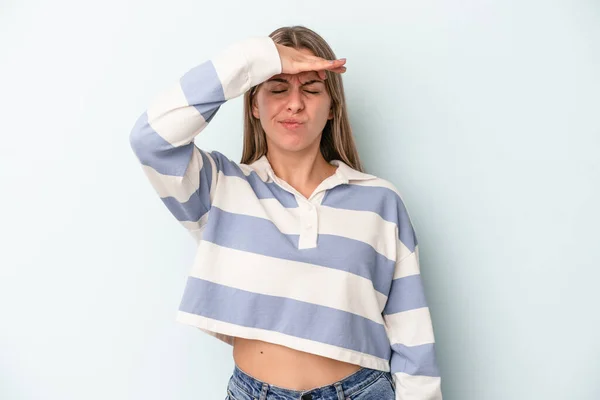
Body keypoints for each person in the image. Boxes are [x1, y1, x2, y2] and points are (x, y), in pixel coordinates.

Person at [129, 25, 442, 400]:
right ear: (254, 107)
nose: (295, 103)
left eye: (311, 89)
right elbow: (151, 138)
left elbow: (413, 339)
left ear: (332, 109)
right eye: (277, 88)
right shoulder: (220, 188)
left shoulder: (379, 201)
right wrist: (255, 59)